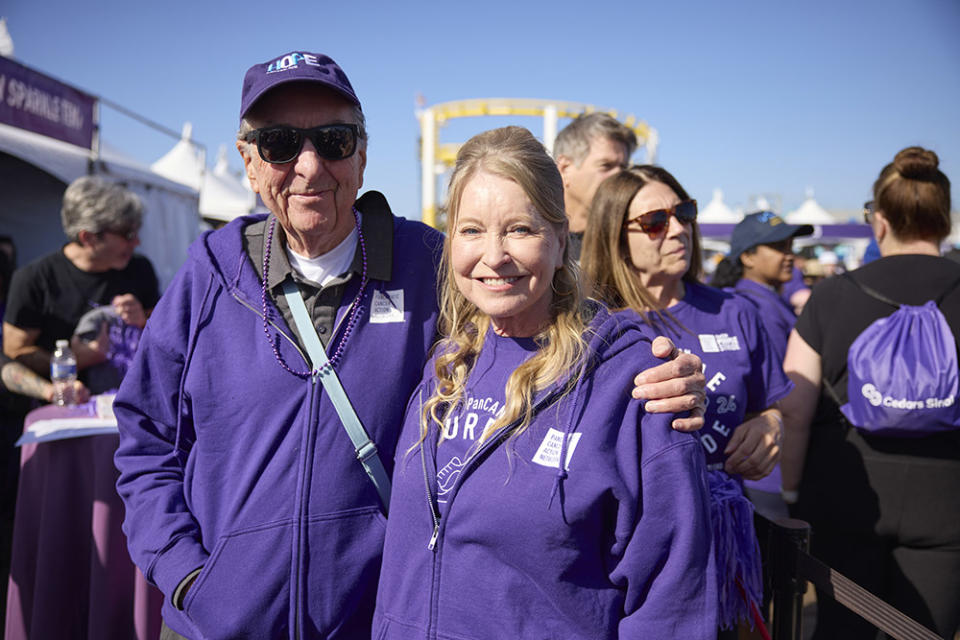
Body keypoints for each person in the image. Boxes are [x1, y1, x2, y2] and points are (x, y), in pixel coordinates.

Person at [113, 51, 708, 640]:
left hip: (368, 621)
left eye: (334, 139)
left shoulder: (431, 265)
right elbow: (145, 440)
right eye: (279, 143)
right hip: (214, 625)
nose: (309, 165)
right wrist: (187, 574)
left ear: (363, 155)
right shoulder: (210, 277)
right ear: (248, 161)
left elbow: (545, 314)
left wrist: (649, 359)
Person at [373, 126, 715, 639]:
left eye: (519, 229)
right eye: (470, 230)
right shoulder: (445, 367)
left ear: (559, 241)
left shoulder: (637, 386)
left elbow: (671, 604)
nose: (494, 255)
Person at [581, 165, 794, 634]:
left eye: (685, 213)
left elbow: (768, 405)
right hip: (621, 548)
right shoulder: (588, 327)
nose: (678, 229)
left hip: (726, 538)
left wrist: (769, 426)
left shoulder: (735, 312)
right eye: (657, 221)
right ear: (615, 236)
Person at [780, 146, 960, 639]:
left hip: (845, 493)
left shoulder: (831, 295)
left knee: (842, 631)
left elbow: (795, 410)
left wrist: (791, 494)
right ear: (943, 220)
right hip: (948, 501)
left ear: (879, 222)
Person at [3, 176, 157, 391]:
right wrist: (73, 361)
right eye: (127, 234)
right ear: (88, 237)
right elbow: (14, 352)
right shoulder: (34, 279)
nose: (137, 241)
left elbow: (166, 334)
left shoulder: (140, 269)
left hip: (130, 406)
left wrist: (143, 321)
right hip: (65, 411)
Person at [710, 212, 812, 518]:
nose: (789, 255)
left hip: (763, 462)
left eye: (790, 246)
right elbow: (783, 396)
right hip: (767, 468)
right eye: (779, 247)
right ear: (748, 257)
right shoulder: (752, 308)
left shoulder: (764, 301)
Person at [554, 113, 636, 260]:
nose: (619, 177)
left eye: (623, 168)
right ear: (565, 168)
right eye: (606, 166)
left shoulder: (631, 241)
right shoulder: (535, 239)